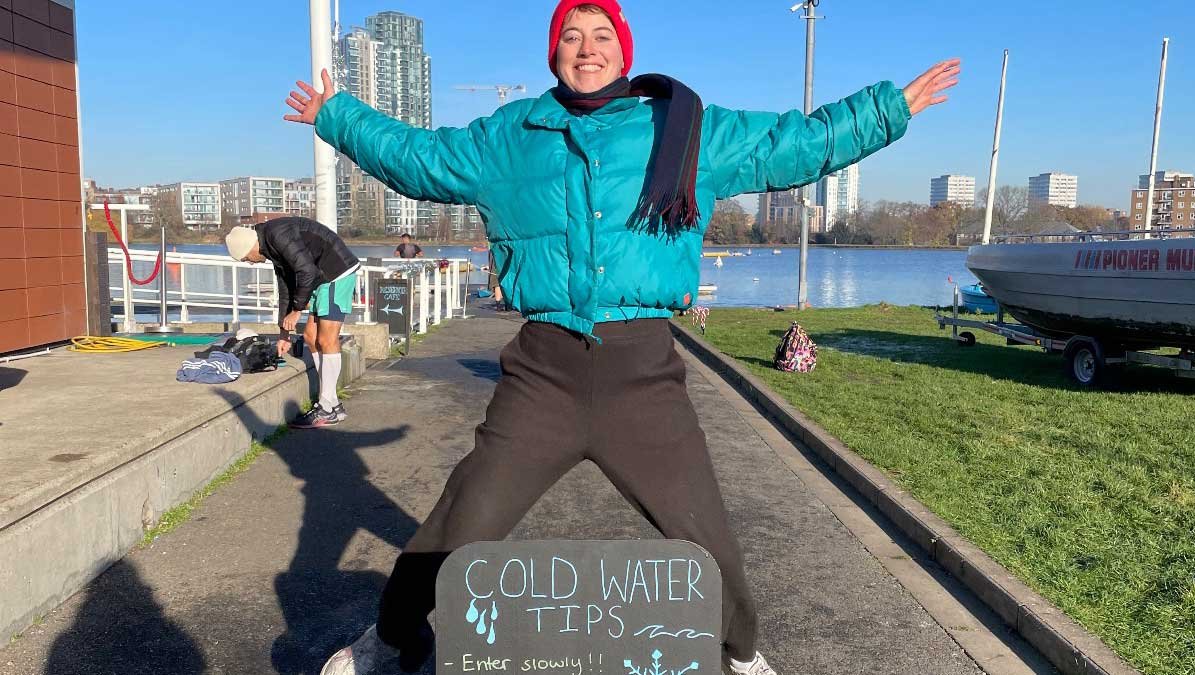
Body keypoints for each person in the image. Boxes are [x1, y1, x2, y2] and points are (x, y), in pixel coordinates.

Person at [285, 1, 958, 672]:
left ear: (623, 50)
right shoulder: (509, 136)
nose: (586, 49)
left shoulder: (684, 129)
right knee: (461, 521)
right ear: (554, 54)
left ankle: (741, 654)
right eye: (571, 37)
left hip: (643, 372)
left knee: (707, 536)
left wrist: (885, 110)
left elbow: (795, 143)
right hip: (543, 373)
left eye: (601, 35)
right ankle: (394, 639)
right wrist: (338, 116)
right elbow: (417, 158)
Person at [225, 217, 360, 428]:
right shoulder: (271, 247)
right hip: (320, 276)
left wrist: (297, 311)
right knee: (310, 337)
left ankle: (326, 407)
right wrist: (284, 332)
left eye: (246, 258)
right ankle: (332, 404)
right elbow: (286, 288)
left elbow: (306, 271)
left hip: (336, 271)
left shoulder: (277, 235)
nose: (250, 262)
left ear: (249, 247)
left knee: (326, 339)